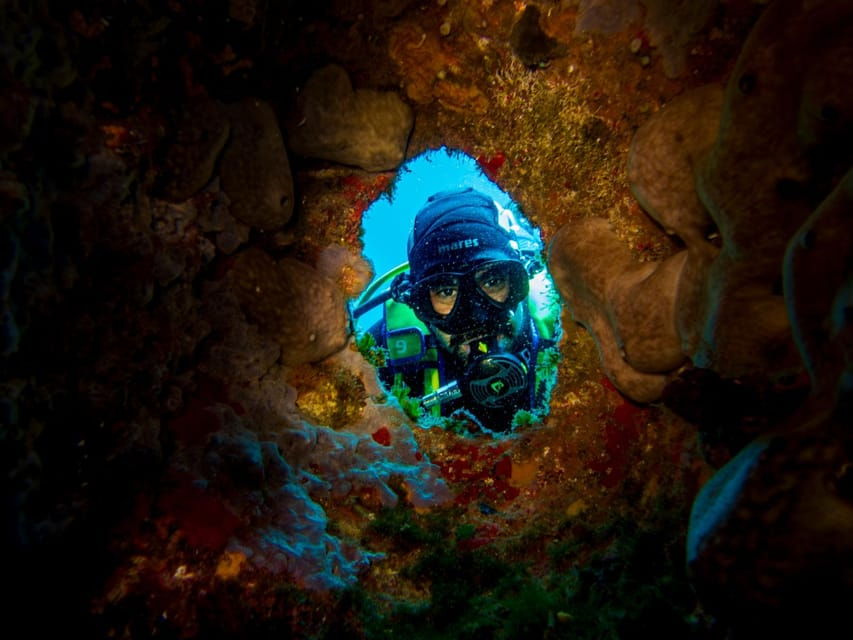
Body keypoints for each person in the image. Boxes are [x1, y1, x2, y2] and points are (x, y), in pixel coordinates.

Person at [353, 188, 560, 432]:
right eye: (446, 291)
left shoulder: (566, 326)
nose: (476, 317)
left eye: (492, 281)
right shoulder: (384, 357)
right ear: (418, 305)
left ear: (519, 281)